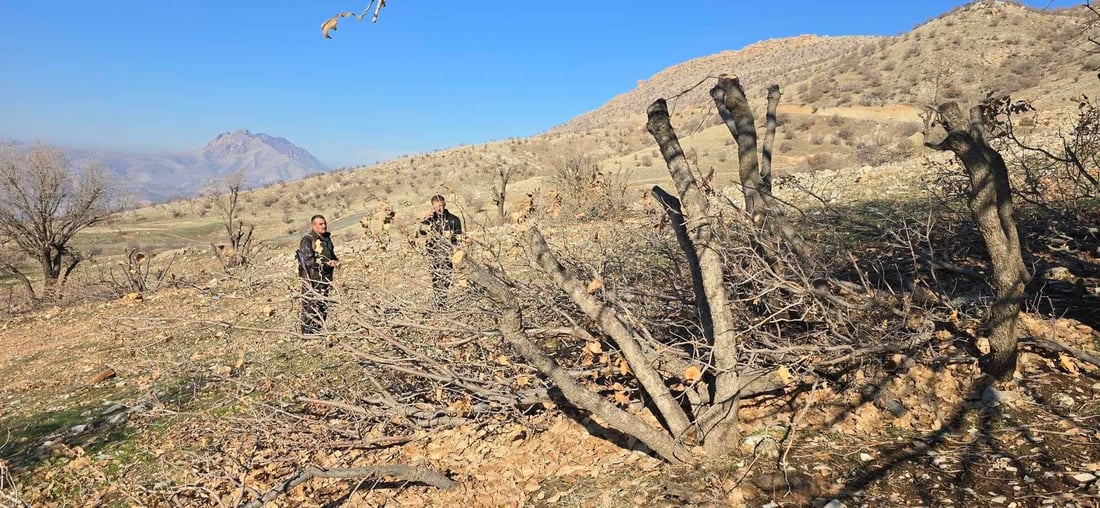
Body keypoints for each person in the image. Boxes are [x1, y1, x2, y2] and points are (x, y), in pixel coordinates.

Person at [297, 214, 339, 334]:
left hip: (325, 278)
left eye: (324, 223)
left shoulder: (326, 238)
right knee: (310, 307)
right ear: (313, 226)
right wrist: (326, 264)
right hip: (312, 279)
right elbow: (308, 262)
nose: (324, 226)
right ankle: (307, 334)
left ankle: (319, 331)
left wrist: (335, 261)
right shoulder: (307, 240)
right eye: (320, 224)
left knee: (323, 305)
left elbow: (330, 254)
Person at [419, 195, 463, 308]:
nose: (439, 208)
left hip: (447, 255)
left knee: (446, 279)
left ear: (445, 205)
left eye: (441, 205)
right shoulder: (430, 219)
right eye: (437, 206)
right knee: (435, 280)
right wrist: (424, 221)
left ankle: (443, 303)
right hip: (433, 255)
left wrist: (451, 239)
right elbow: (422, 233)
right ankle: (438, 304)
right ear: (433, 206)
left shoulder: (454, 220)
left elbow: (459, 238)